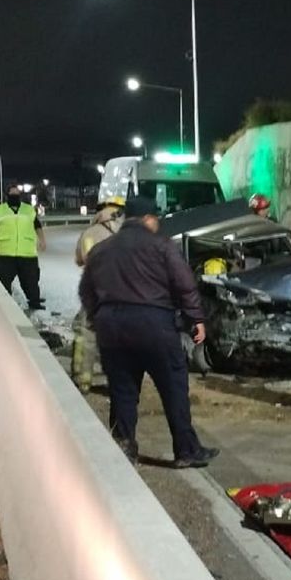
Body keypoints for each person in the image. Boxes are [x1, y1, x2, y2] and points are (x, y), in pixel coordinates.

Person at [79, 194, 219, 466]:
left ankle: (123, 447)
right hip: (153, 325)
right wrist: (196, 319)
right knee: (174, 387)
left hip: (112, 327)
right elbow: (184, 284)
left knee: (122, 389)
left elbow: (86, 291)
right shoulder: (162, 246)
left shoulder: (102, 249)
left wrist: (99, 319)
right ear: (149, 219)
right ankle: (186, 451)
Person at [72, 199, 126, 392]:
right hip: (122, 292)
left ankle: (83, 378)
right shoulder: (127, 232)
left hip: (94, 291)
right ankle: (117, 381)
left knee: (86, 334)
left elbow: (79, 260)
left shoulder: (90, 233)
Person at [0, 183, 46, 310]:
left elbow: (37, 226)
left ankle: (35, 304)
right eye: (12, 194)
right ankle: (5, 308)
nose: (15, 196)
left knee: (31, 282)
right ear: (7, 196)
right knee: (3, 284)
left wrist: (42, 240)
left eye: (17, 194)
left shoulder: (28, 210)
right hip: (5, 255)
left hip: (27, 254)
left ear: (20, 196)